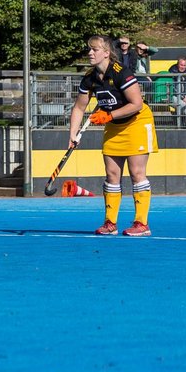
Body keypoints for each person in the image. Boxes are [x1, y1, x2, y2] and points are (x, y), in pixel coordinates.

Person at [67, 34, 157, 237]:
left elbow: (137, 104)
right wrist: (73, 133)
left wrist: (108, 115)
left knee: (136, 172)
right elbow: (79, 107)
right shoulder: (90, 78)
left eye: (95, 49)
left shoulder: (121, 73)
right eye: (89, 49)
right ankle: (110, 222)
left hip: (137, 123)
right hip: (114, 126)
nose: (90, 53)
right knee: (112, 174)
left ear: (106, 53)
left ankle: (141, 223)